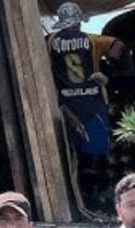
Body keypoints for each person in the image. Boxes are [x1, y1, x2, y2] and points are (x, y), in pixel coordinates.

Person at [46, 2, 129, 201]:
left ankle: (77, 192)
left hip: (66, 104)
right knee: (96, 151)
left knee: (71, 151)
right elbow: (118, 45)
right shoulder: (91, 40)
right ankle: (95, 194)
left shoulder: (50, 41)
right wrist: (109, 70)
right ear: (78, 23)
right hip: (93, 102)